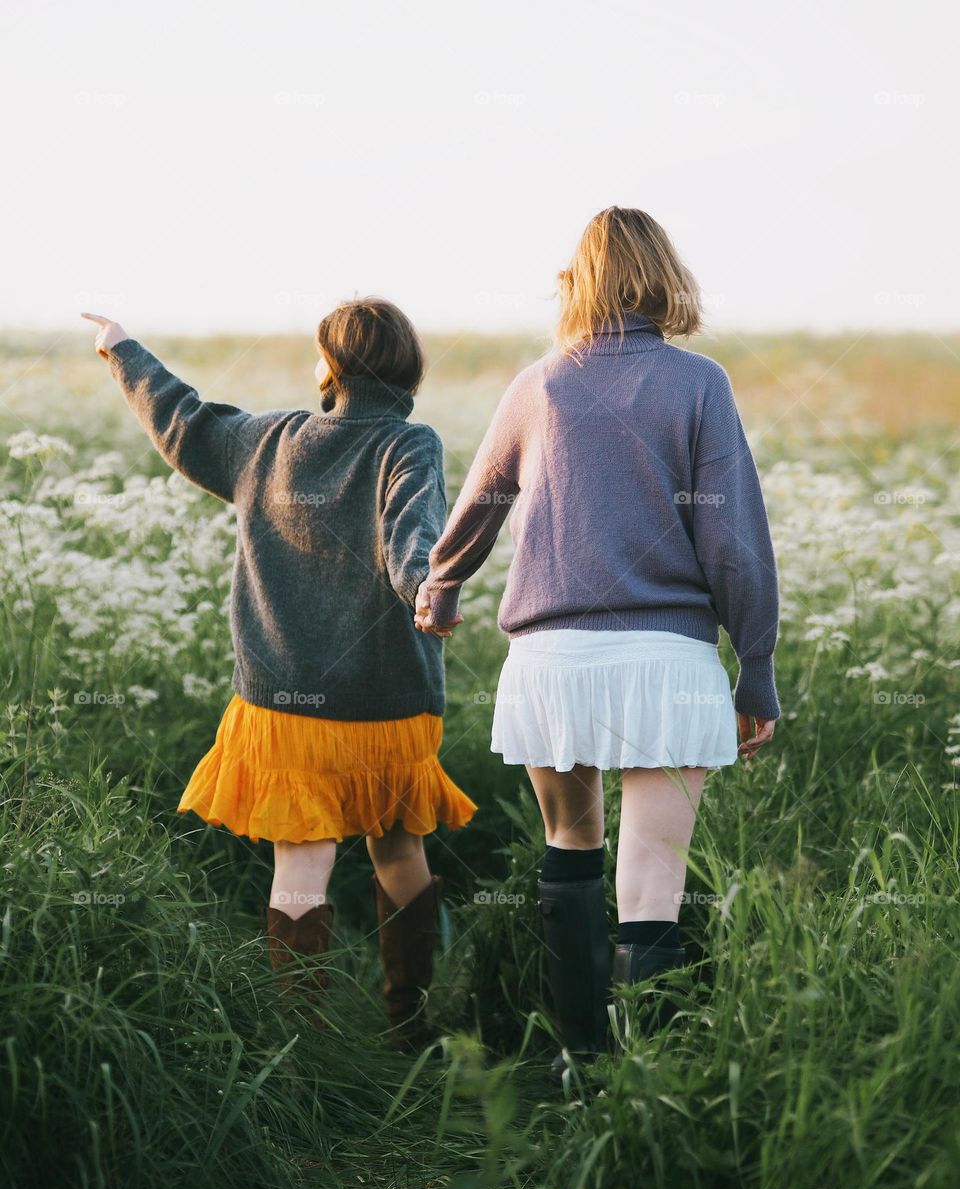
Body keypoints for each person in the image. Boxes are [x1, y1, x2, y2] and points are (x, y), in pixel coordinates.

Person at [415, 207, 780, 1081]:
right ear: (666, 275)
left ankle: (581, 1064)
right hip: (667, 659)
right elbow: (730, 541)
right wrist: (756, 666)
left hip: (553, 661)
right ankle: (641, 1091)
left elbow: (482, 500)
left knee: (570, 845)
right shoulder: (699, 384)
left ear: (576, 282)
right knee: (653, 871)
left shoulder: (539, 383)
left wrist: (441, 582)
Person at [82, 299, 476, 1049]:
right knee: (399, 847)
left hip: (284, 710)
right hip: (389, 704)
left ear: (330, 367)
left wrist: (121, 346)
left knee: (300, 863)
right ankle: (410, 1026)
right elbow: (411, 537)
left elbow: (182, 420)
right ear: (407, 369)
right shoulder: (409, 443)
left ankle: (299, 1050)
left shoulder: (264, 440)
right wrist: (426, 588)